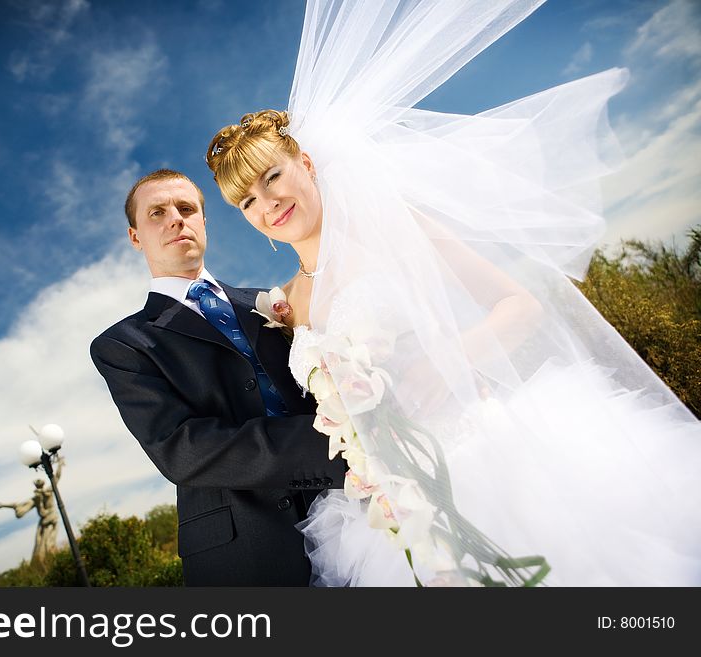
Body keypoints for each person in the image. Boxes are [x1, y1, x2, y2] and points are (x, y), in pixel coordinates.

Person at [204, 0, 701, 586]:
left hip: (489, 457)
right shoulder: (284, 301)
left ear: (306, 163)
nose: (267, 203)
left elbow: (520, 305)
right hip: (397, 499)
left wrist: (450, 362)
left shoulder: (395, 229)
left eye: (272, 177)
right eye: (246, 201)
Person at [89, 169, 344, 586]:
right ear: (135, 236)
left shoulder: (272, 301)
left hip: (349, 517)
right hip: (245, 554)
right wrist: (339, 442)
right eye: (157, 212)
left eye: (187, 208)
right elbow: (183, 449)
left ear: (203, 222)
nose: (176, 218)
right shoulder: (124, 345)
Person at [0, 459, 62, 566]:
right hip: (45, 521)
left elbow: (56, 478)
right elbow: (18, 505)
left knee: (48, 544)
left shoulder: (46, 492)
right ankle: (44, 563)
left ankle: (52, 562)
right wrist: (3, 505)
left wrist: (60, 465)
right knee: (42, 545)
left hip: (51, 519)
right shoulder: (37, 497)